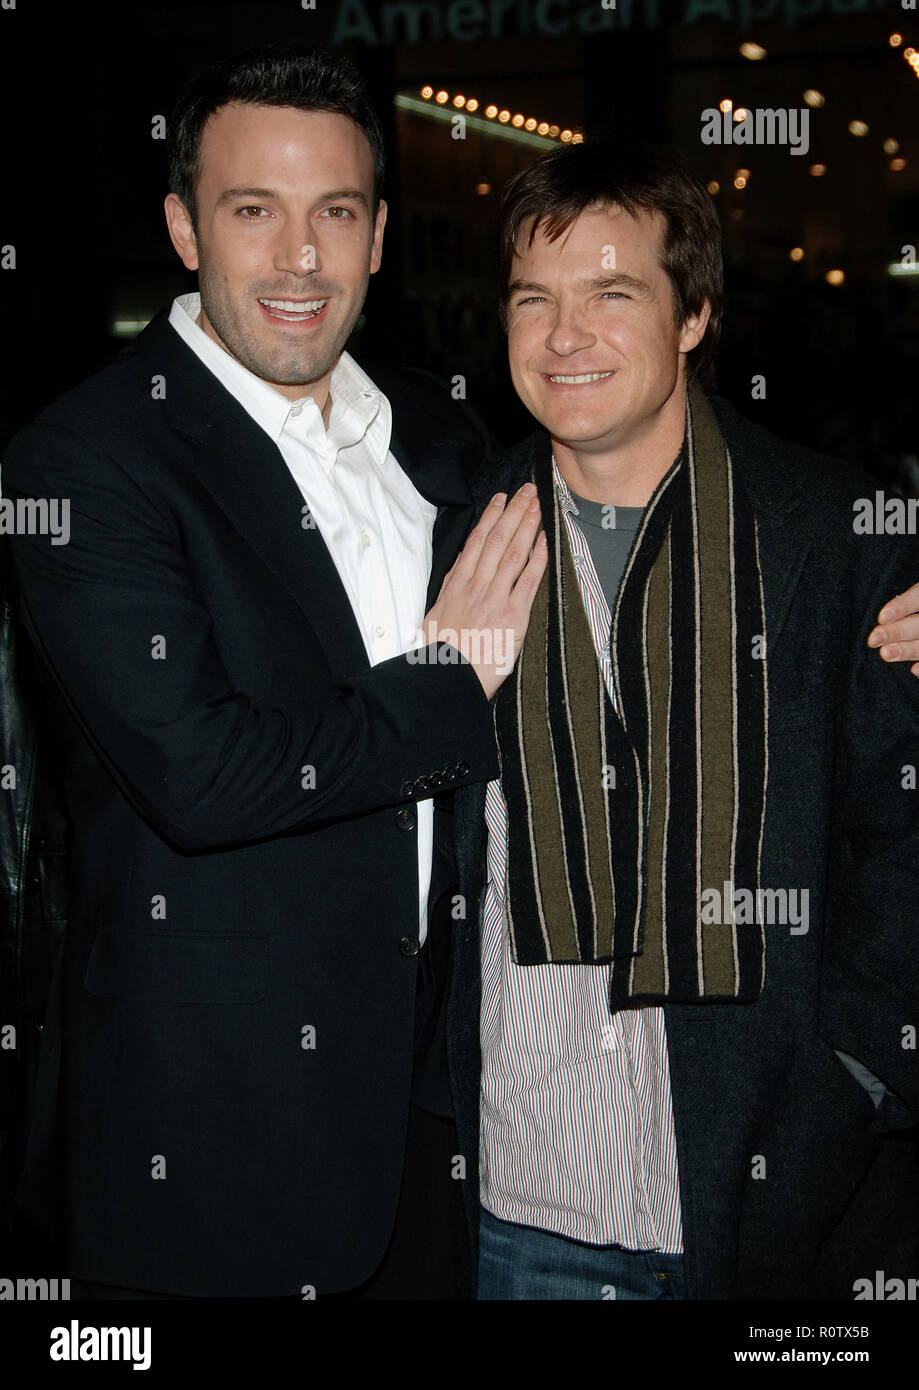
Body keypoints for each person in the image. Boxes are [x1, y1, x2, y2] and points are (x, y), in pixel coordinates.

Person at [0, 45, 546, 1299]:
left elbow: (613, 565)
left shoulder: (441, 433)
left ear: (378, 235)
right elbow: (205, 772)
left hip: (444, 1112)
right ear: (186, 228)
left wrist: (869, 608)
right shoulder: (83, 460)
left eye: (334, 214)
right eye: (255, 211)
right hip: (217, 1138)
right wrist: (452, 680)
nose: (301, 259)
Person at [436, 140, 919, 1300]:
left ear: (694, 312)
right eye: (533, 300)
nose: (564, 337)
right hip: (516, 1202)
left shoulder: (841, 535)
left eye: (611, 294)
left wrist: (844, 1090)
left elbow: (901, 857)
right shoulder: (451, 540)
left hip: (773, 1201)